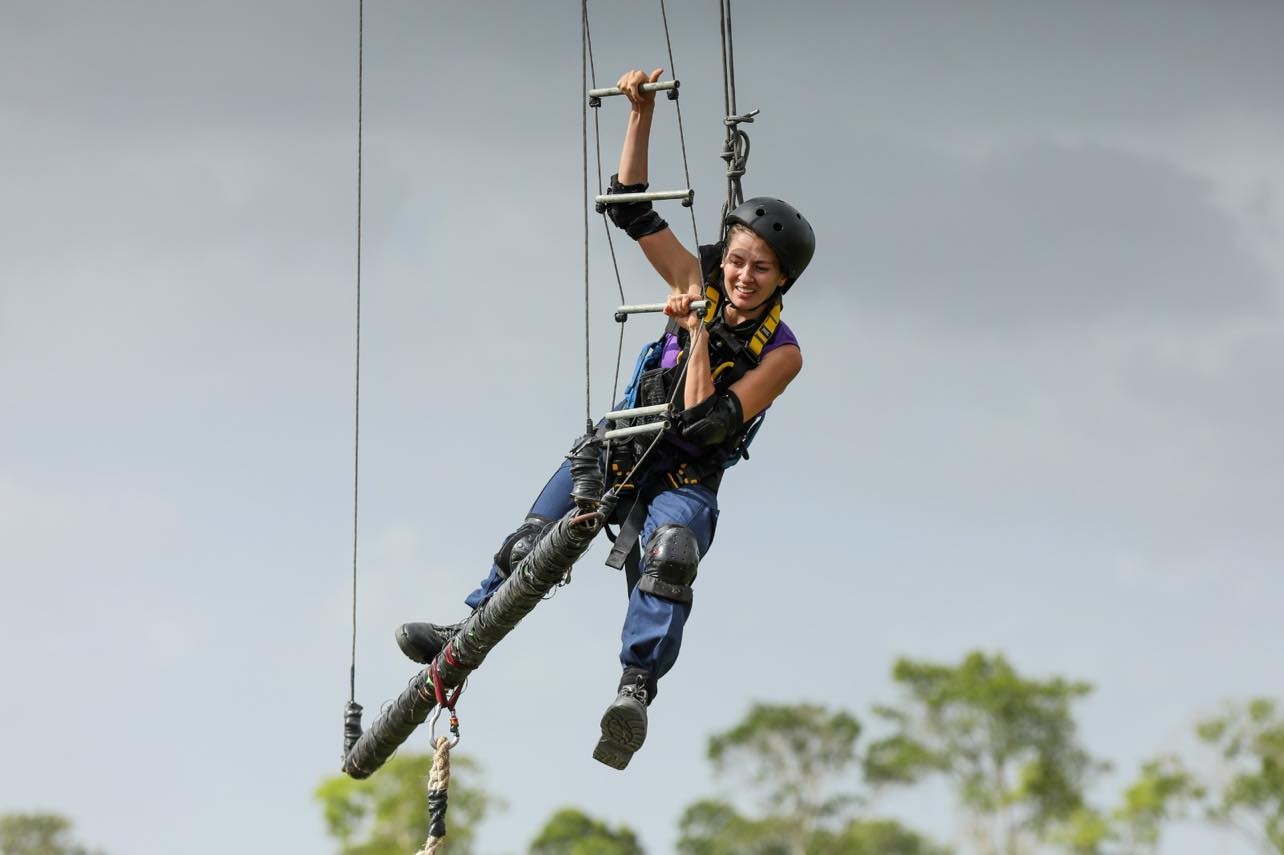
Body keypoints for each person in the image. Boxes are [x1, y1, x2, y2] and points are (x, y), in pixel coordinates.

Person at [396, 67, 814, 770]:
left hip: (684, 475)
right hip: (620, 447)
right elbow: (631, 209)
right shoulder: (697, 277)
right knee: (531, 542)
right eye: (738, 262)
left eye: (761, 270)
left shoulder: (783, 354)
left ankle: (634, 690)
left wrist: (699, 332)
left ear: (782, 280)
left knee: (671, 553)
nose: (742, 278)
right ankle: (463, 634)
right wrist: (639, 116)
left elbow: (704, 424)